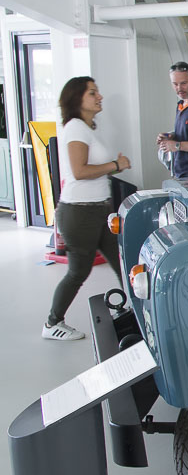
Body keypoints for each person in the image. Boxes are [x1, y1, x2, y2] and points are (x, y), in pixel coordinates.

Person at [43, 77, 131, 340]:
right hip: (80, 213)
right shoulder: (75, 128)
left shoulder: (87, 128)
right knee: (78, 271)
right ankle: (52, 323)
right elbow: (80, 171)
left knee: (122, 262)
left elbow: (91, 169)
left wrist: (114, 166)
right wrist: (115, 165)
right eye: (93, 93)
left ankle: (137, 314)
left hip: (99, 210)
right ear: (77, 98)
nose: (99, 96)